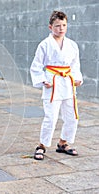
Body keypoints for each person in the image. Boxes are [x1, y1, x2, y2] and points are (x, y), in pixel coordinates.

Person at [30, 10, 83, 160]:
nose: (61, 29)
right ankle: (42, 145)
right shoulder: (45, 45)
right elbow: (36, 65)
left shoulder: (72, 45)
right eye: (57, 26)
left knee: (72, 116)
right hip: (52, 82)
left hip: (67, 81)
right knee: (51, 117)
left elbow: (75, 64)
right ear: (50, 27)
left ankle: (63, 143)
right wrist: (42, 80)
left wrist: (77, 77)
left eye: (64, 25)